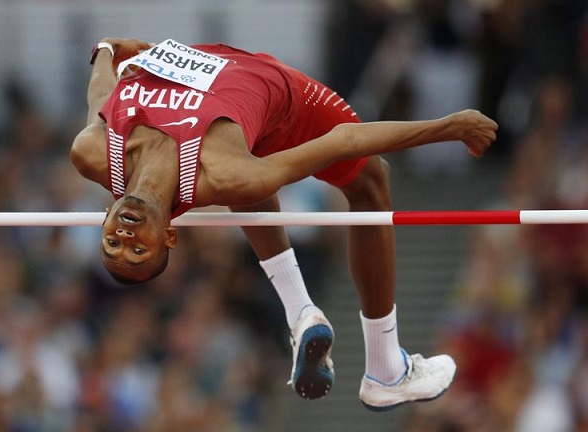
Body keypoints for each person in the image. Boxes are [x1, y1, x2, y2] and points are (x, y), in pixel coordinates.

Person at [70, 37, 498, 410]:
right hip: (284, 97)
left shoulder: (92, 151)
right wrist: (448, 126)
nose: (124, 238)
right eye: (138, 249)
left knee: (244, 182)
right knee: (369, 180)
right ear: (168, 235)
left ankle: (301, 313)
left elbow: (99, 94)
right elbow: (342, 142)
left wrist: (106, 50)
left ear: (105, 216)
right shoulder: (222, 173)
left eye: (113, 244)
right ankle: (386, 369)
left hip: (211, 64)